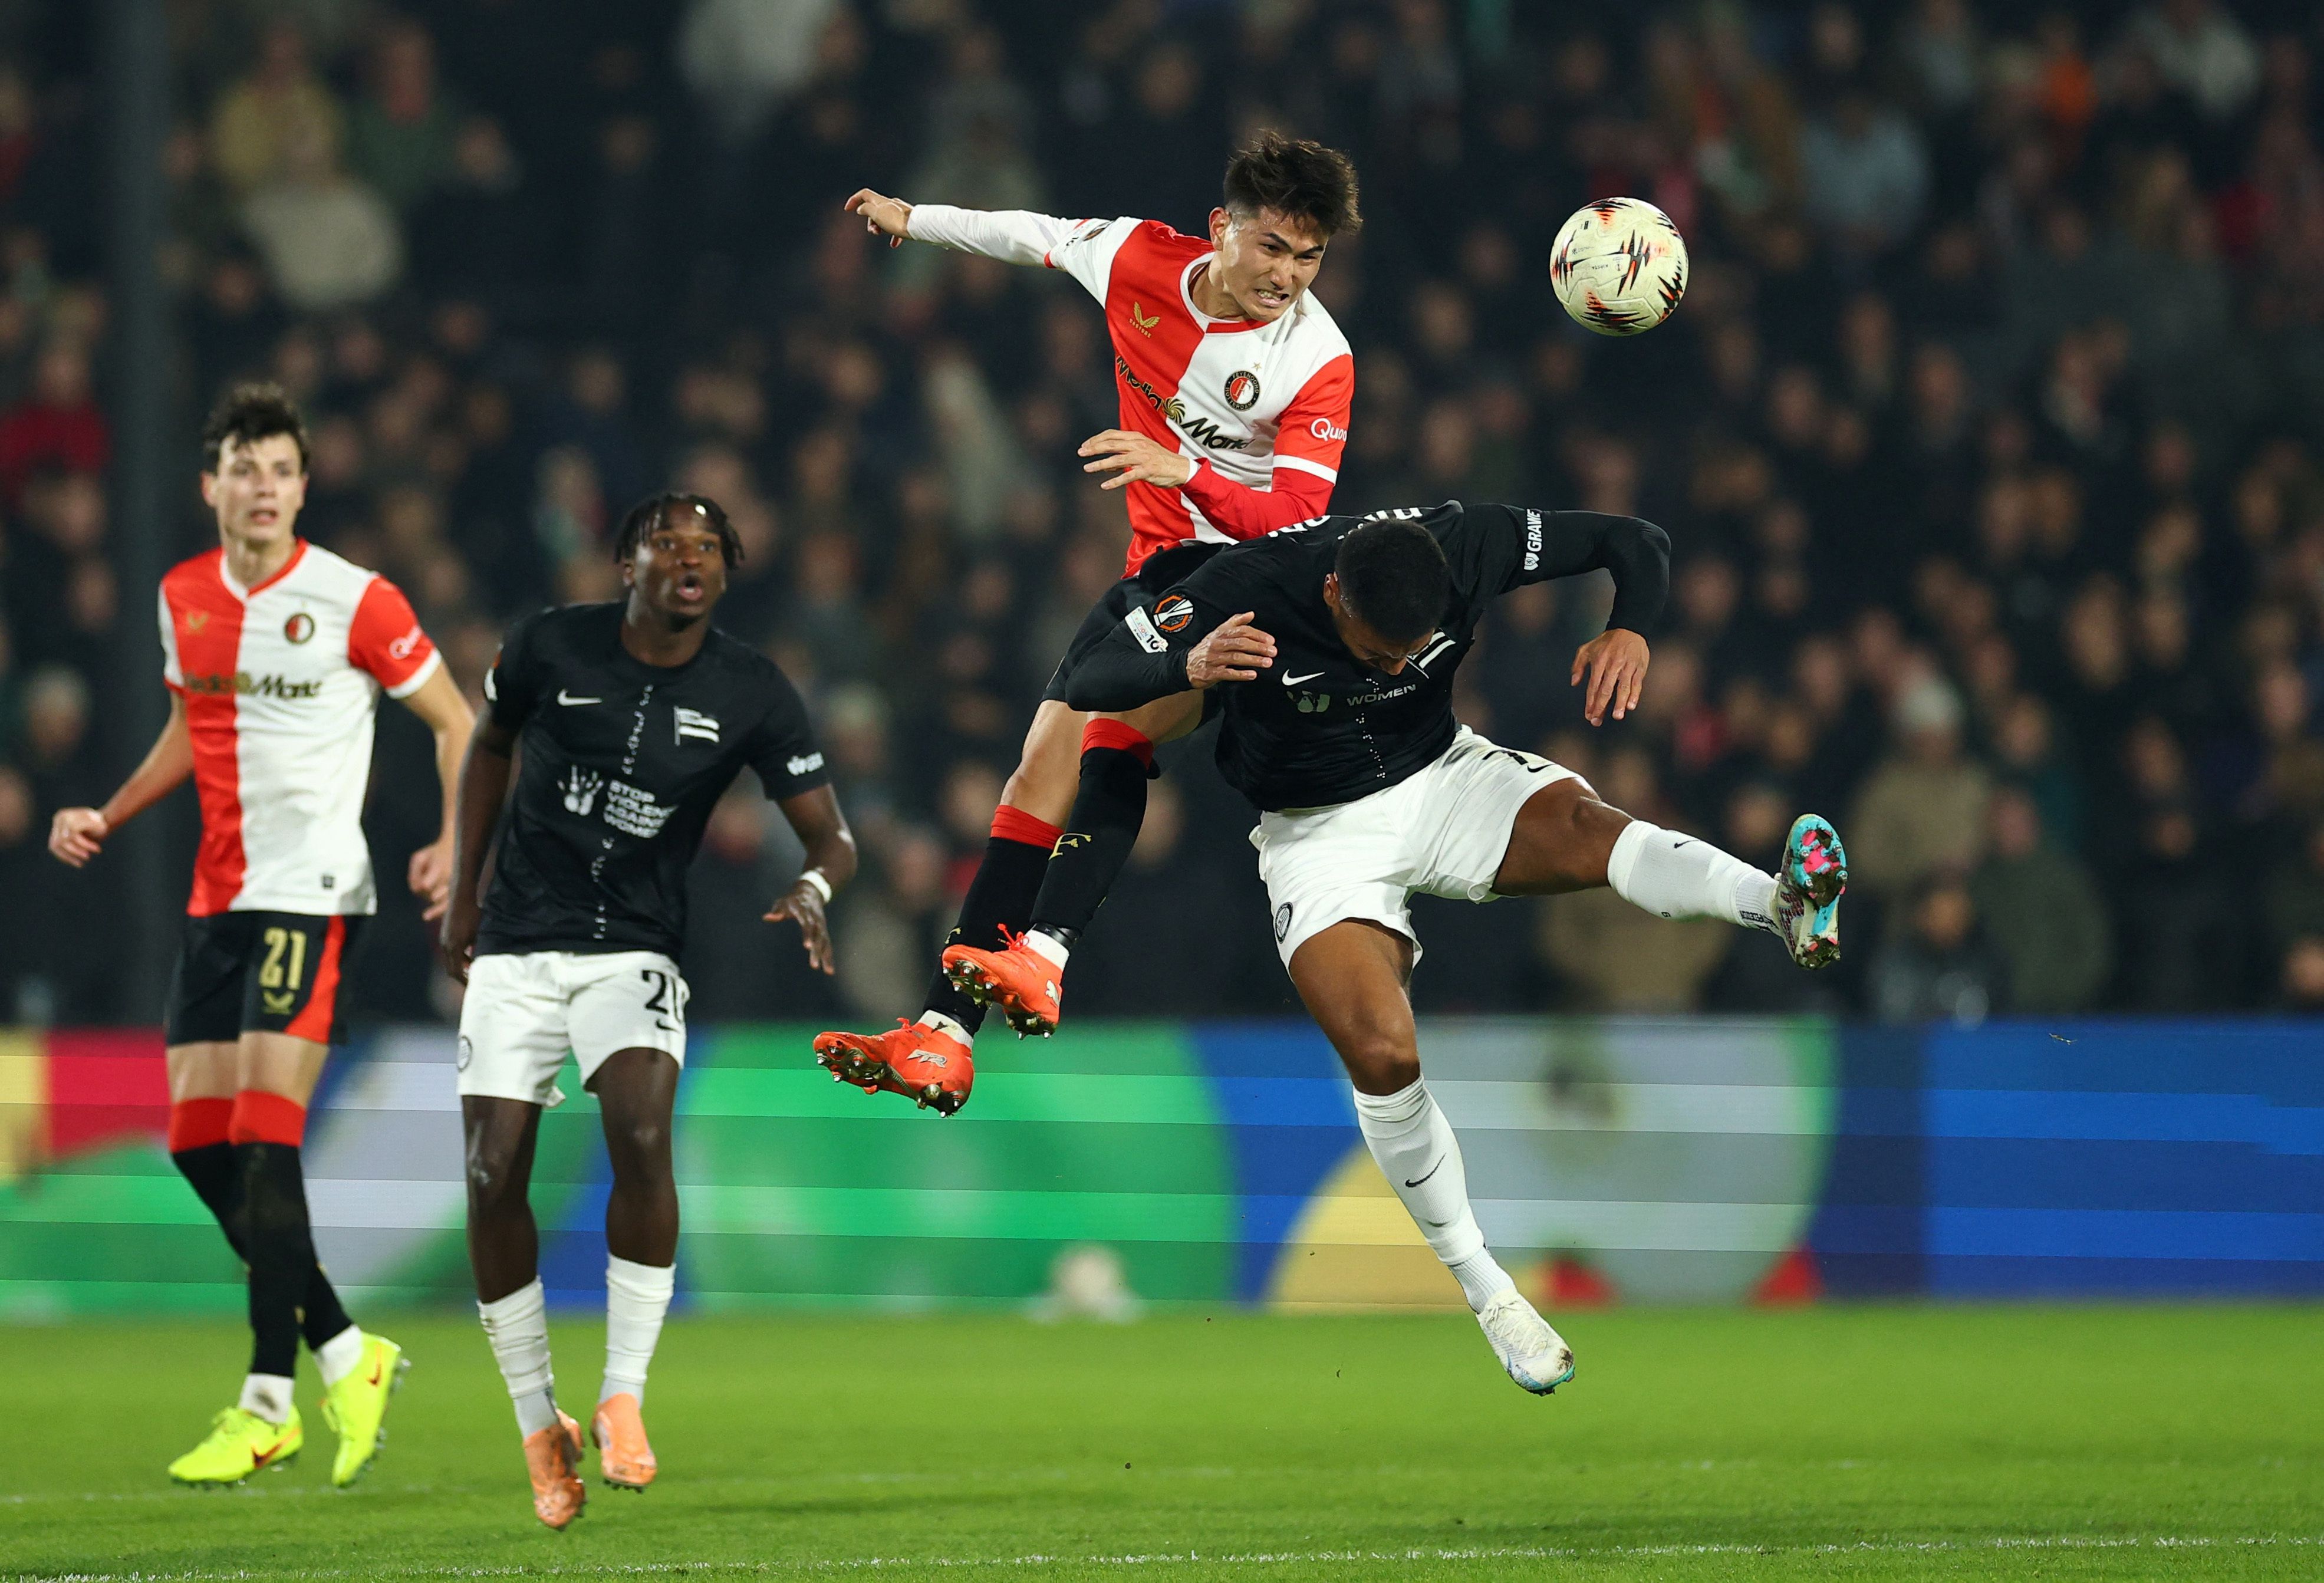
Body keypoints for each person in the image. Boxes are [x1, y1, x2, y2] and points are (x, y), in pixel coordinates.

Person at [968, 503, 1845, 1393]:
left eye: (1407, 652)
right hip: (1319, 837)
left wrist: (1630, 627)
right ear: (1331, 591)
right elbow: (1088, 676)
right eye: (1372, 649)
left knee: (1589, 827)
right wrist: (1182, 663)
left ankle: (1778, 904)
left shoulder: (1463, 543)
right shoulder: (1246, 588)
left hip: (1442, 779)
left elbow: (1638, 540)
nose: (1389, 667)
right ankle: (1491, 1292)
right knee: (1383, 1052)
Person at [814, 129, 1360, 1114]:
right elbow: (1030, 234)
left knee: (1088, 734)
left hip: (1256, 580)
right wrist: (914, 220)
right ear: (1219, 230)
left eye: (1309, 256)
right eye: (1273, 247)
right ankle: (947, 1029)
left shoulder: (1317, 358)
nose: (1288, 275)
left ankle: (1030, 967)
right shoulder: (1138, 257)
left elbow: (1299, 518)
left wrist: (1181, 468)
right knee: (1060, 756)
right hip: (1157, 571)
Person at [48, 383, 475, 1486]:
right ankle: (348, 1346)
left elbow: (456, 722)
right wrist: (111, 808)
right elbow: (193, 728)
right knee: (197, 1143)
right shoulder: (180, 594)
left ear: (302, 485)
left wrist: (448, 842)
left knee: (263, 1134)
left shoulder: (355, 599)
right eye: (245, 468)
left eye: (281, 469)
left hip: (312, 891)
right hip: (216, 897)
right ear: (212, 487)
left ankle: (268, 1397)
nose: (263, 488)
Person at [439, 492, 855, 1529]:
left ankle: (622, 1392)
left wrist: (815, 888)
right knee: (492, 1174)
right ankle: (540, 1420)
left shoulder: (753, 689)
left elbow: (832, 838)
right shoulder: (546, 644)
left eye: (708, 547)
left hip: (634, 947)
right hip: (518, 944)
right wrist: (461, 888)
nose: (689, 557)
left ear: (726, 570)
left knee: (639, 1129)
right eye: (668, 541)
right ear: (625, 560)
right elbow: (489, 747)